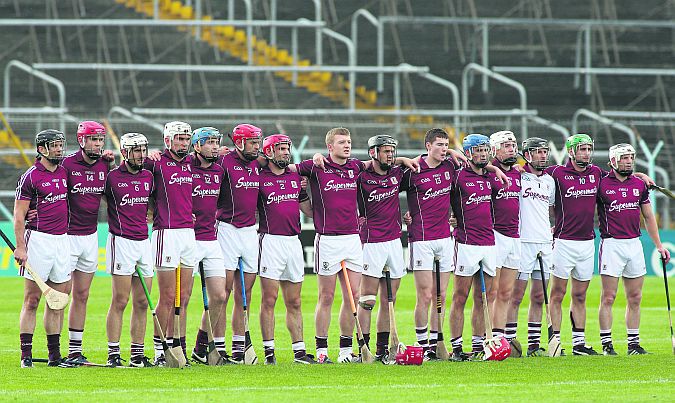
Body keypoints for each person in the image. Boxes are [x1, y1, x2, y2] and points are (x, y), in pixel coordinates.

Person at [596, 143, 671, 355]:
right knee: (608, 297)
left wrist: (659, 246)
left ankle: (633, 344)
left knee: (635, 297)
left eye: (631, 157)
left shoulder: (639, 184)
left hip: (634, 244)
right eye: (624, 158)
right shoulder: (601, 183)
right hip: (611, 244)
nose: (629, 161)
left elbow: (648, 217)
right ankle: (607, 344)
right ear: (613, 161)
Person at [257, 134, 316, 364]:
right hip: (270, 241)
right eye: (280, 148)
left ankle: (300, 352)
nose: (285, 152)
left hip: (293, 242)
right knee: (269, 299)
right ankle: (269, 352)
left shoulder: (295, 176)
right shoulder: (260, 177)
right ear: (269, 152)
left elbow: (308, 209)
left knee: (295, 301)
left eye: (287, 148)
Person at [14, 129, 70, 367]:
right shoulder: (31, 176)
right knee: (32, 300)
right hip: (38, 240)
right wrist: (21, 247)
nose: (59, 149)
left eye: (60, 145)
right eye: (54, 145)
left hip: (62, 240)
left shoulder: (65, 171)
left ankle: (54, 355)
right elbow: (19, 216)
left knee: (57, 300)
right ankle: (26, 355)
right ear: (42, 149)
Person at [400, 128, 456, 360]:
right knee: (424, 295)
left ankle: (436, 342)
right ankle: (422, 343)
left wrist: (456, 216)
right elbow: (388, 190)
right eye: (439, 145)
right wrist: (403, 215)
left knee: (440, 294)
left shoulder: (451, 167)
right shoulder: (412, 170)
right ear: (427, 146)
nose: (444, 149)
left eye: (446, 145)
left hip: (445, 237)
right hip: (421, 239)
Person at [61, 121, 113, 366]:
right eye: (93, 139)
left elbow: (111, 196)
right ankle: (53, 349)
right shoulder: (67, 164)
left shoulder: (105, 164)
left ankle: (74, 351)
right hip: (67, 236)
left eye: (101, 139)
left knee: (82, 294)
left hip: (91, 237)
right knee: (62, 294)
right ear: (81, 140)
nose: (98, 144)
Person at [145, 121, 197, 365]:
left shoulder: (191, 162)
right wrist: (147, 154)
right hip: (166, 233)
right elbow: (129, 171)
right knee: (167, 296)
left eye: (187, 139)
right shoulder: (155, 162)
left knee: (184, 296)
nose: (184, 144)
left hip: (188, 233)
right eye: (179, 139)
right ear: (168, 141)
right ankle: (158, 350)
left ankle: (177, 346)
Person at [104, 132, 155, 367]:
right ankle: (113, 353)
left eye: (144, 150)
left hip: (144, 242)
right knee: (120, 300)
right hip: (121, 241)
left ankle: (136, 354)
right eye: (136, 150)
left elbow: (155, 202)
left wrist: (152, 213)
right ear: (125, 152)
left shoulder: (149, 176)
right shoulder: (112, 177)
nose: (141, 155)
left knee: (143, 302)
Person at [448, 134, 499, 361]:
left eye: (484, 150)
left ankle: (478, 345)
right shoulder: (457, 176)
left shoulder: (491, 176)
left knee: (484, 298)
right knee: (460, 297)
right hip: (466, 243)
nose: (482, 154)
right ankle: (457, 347)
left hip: (489, 243)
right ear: (468, 153)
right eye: (477, 150)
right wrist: (451, 216)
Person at [356, 134, 406, 362]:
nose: (390, 155)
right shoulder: (361, 176)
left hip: (395, 241)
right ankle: (363, 349)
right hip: (371, 243)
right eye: (385, 151)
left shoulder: (397, 174)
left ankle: (382, 350)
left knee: (390, 300)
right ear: (373, 153)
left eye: (392, 151)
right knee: (367, 301)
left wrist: (403, 160)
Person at [215, 123, 262, 363]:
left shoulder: (258, 162)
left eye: (258, 142)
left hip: (249, 232)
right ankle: (217, 347)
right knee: (223, 292)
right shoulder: (223, 161)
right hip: (226, 229)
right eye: (253, 142)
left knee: (246, 294)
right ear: (240, 142)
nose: (257, 146)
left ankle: (239, 346)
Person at [507, 137, 555, 357]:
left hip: (544, 242)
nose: (543, 155)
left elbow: (551, 208)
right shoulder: (518, 176)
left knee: (539, 296)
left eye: (545, 152)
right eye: (538, 152)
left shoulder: (549, 181)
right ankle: (509, 340)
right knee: (516, 296)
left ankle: (534, 344)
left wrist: (552, 229)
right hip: (523, 242)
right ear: (527, 155)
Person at [185, 127, 229, 364]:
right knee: (182, 297)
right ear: (197, 146)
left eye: (216, 142)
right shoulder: (185, 166)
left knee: (220, 296)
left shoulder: (219, 171)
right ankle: (170, 348)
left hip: (210, 239)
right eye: (209, 142)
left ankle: (201, 347)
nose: (214, 146)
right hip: (188, 239)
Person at [487, 130, 522, 353]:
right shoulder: (487, 173)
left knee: (507, 293)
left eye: (513, 145)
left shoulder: (520, 173)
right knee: (492, 292)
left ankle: (500, 337)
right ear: (495, 150)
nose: (511, 149)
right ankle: (487, 337)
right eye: (506, 145)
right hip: (494, 235)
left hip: (514, 236)